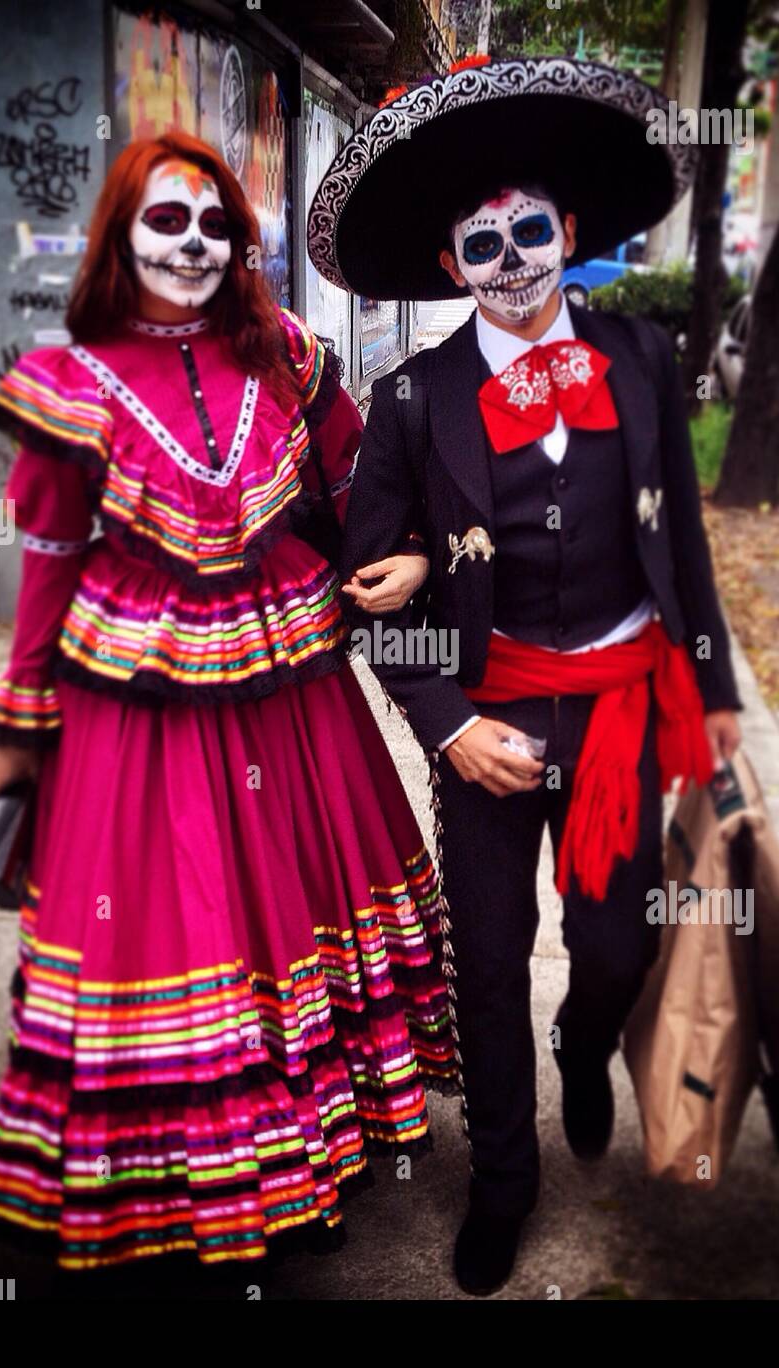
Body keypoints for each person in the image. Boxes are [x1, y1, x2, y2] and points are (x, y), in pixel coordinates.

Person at [0, 132, 454, 1272]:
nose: (193, 243)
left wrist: (415, 551)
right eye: (165, 221)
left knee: (293, 903)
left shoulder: (286, 353)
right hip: (136, 704)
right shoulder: (67, 386)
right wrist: (20, 727)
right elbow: (45, 559)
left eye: (213, 223)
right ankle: (192, 1176)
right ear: (119, 238)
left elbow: (356, 475)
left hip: (293, 691)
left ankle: (311, 1142)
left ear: (241, 240)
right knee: (171, 923)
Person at [309, 55, 743, 1295]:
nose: (512, 258)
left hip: (619, 710)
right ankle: (505, 1175)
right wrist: (444, 724)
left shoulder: (644, 360)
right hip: (489, 719)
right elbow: (369, 593)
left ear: (570, 233)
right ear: (453, 265)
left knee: (614, 951)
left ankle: (586, 1038)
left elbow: (684, 550)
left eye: (532, 230)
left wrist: (713, 709)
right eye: (482, 241)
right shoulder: (406, 401)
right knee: (487, 960)